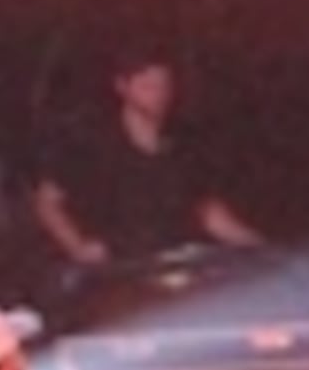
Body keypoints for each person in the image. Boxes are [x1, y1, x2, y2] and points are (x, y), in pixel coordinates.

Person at [32, 44, 262, 270]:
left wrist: (259, 247)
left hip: (177, 266)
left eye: (164, 85)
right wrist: (79, 247)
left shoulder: (182, 146)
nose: (159, 94)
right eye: (147, 85)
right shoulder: (92, 144)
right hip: (119, 271)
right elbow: (47, 202)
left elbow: (209, 212)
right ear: (123, 87)